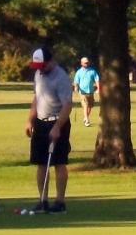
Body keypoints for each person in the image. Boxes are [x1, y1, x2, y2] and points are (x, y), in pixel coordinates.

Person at [26, 47, 75, 213]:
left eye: (42, 66)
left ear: (51, 61)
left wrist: (57, 127)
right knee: (41, 163)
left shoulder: (61, 78)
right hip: (40, 122)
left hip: (58, 122)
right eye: (37, 66)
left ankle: (60, 202)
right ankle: (43, 200)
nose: (40, 69)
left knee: (59, 163)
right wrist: (30, 120)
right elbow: (36, 98)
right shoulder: (38, 74)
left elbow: (67, 105)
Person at [74, 56, 99, 127]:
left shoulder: (92, 71)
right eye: (85, 63)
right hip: (82, 92)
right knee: (85, 105)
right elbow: (76, 81)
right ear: (81, 63)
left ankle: (85, 117)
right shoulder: (78, 72)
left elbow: (97, 80)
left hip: (90, 91)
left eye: (87, 62)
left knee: (90, 106)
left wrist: (98, 88)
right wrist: (76, 87)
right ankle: (87, 120)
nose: (87, 64)